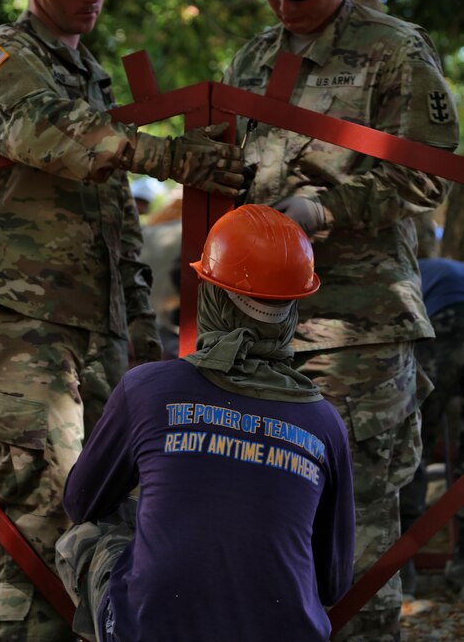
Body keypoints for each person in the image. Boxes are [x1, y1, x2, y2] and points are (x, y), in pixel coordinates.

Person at [0, 0, 244, 641]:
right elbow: (40, 133)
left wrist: (144, 343)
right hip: (26, 336)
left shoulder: (91, 80)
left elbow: (117, 228)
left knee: (100, 536)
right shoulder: (2, 54)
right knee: (37, 542)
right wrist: (167, 154)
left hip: (100, 338)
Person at [222, 0, 460, 640]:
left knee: (357, 548)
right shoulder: (252, 59)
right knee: (267, 534)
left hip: (357, 337)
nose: (286, 8)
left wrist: (326, 208)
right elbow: (230, 165)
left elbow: (429, 169)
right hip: (264, 338)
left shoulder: (394, 50)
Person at [59, 204, 355, 642]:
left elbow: (81, 502)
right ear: (293, 309)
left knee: (83, 538)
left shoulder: (147, 388)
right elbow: (334, 580)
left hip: (154, 631)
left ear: (212, 294)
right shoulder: (324, 422)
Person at [399, 255, 464, 595]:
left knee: (414, 448)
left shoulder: (402, 268)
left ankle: (401, 573)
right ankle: (461, 574)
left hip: (443, 326)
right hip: (453, 319)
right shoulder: (444, 269)